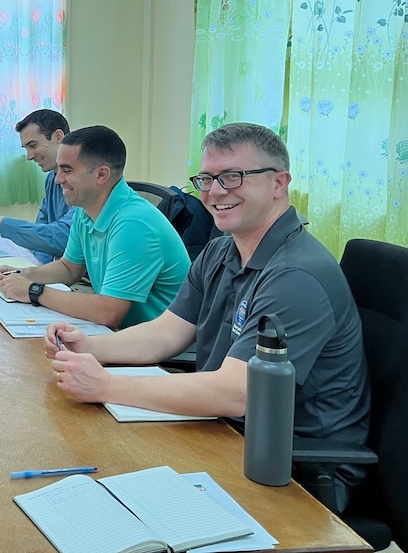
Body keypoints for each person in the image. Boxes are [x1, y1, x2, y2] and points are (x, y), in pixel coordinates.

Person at [47, 122, 369, 509]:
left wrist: (105, 386)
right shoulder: (222, 251)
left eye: (233, 177)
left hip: (294, 467)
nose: (215, 192)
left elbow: (236, 393)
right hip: (224, 433)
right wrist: (93, 347)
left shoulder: (296, 276)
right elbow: (166, 334)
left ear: (279, 184)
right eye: (207, 179)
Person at [0, 125, 189, 329]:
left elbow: (109, 311)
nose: (58, 178)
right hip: (123, 334)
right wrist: (23, 275)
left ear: (101, 175)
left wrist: (34, 291)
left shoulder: (134, 224)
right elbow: (69, 268)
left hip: (160, 349)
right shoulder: (85, 210)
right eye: (59, 169)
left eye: (67, 170)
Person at [0, 109, 74, 263]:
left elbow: (64, 238)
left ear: (58, 137)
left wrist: (3, 224)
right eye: (26, 149)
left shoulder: (82, 181)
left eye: (33, 146)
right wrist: (36, 271)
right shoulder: (51, 180)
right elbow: (42, 239)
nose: (29, 156)